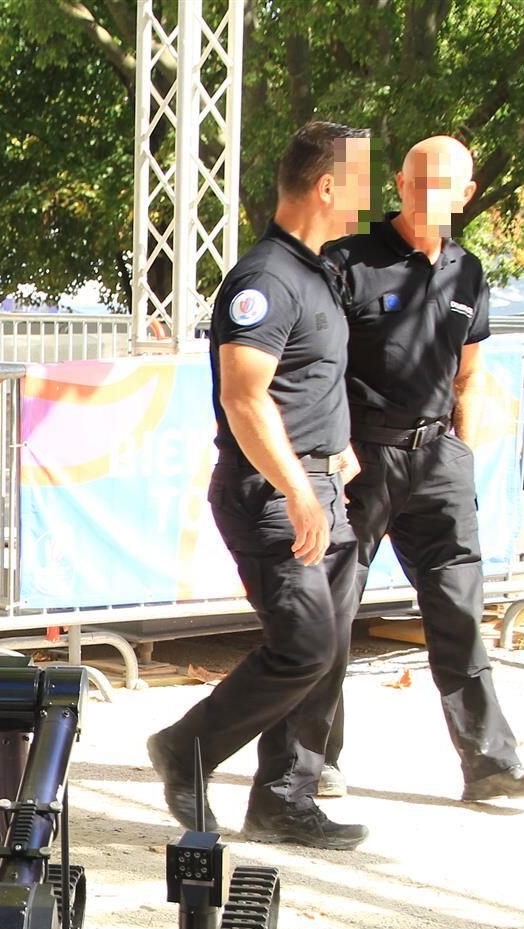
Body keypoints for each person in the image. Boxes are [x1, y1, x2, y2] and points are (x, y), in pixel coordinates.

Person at [146, 121, 373, 850]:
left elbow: (308, 382)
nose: (366, 201)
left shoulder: (317, 273)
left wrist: (334, 453)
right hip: (273, 492)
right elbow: (246, 396)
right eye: (362, 182)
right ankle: (188, 748)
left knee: (329, 649)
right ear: (328, 185)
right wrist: (297, 488)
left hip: (316, 484)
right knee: (305, 644)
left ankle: (284, 798)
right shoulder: (266, 279)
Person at [320, 136, 524, 803]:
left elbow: (471, 374)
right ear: (399, 181)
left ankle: (489, 764)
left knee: (459, 611)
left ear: (466, 193)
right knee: (330, 611)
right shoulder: (348, 261)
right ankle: (313, 761)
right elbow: (319, 366)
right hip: (360, 458)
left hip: (439, 461)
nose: (428, 194)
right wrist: (335, 445)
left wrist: (462, 452)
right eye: (417, 180)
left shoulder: (467, 273)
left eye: (443, 184)